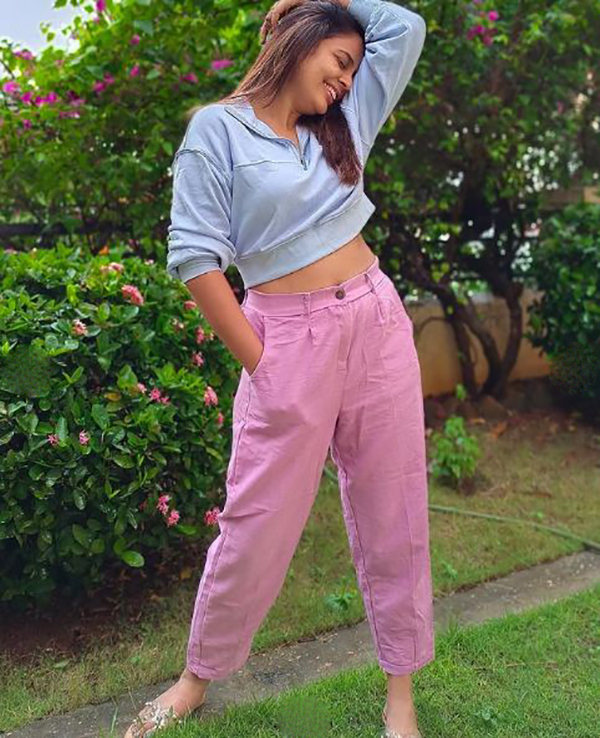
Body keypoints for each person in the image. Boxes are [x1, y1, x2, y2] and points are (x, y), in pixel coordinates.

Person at [124, 1, 429, 736]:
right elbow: (195, 256)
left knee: (395, 510)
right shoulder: (217, 131)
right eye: (340, 61)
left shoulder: (344, 122)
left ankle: (401, 695)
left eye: (354, 69)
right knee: (255, 522)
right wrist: (263, 364)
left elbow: (407, 29)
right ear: (298, 41)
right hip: (287, 339)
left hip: (376, 321)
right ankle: (196, 678)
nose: (346, 80)